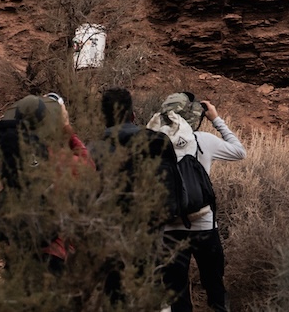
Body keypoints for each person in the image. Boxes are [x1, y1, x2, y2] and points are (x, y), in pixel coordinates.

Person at [148, 94, 247, 312]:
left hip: (170, 228)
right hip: (204, 224)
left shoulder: (152, 144)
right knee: (214, 286)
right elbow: (240, 152)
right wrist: (216, 119)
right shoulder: (202, 140)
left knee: (177, 293)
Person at [90, 87, 181, 306]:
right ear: (132, 115)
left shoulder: (95, 150)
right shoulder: (158, 142)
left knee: (115, 293)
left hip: (112, 234)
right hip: (152, 232)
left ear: (104, 117)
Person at [0, 93, 93, 279]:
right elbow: (87, 166)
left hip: (17, 248)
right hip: (51, 251)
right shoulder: (54, 159)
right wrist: (68, 130)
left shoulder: (9, 151)